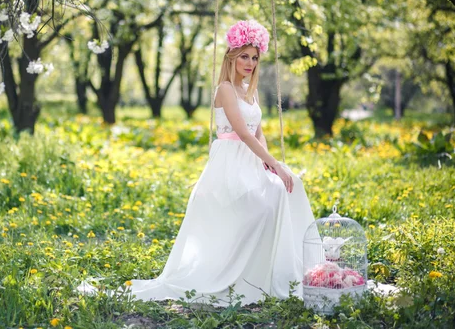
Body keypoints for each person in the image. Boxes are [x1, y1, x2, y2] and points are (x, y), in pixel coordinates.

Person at [77, 20, 316, 307]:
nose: (250, 63)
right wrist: (274, 163)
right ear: (231, 56)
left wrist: (268, 161)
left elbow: (258, 132)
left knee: (285, 189)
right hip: (230, 162)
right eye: (244, 56)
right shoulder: (226, 89)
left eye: (254, 57)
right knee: (258, 204)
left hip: (251, 160)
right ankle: (236, 273)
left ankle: (271, 271)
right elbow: (240, 132)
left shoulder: (247, 91)